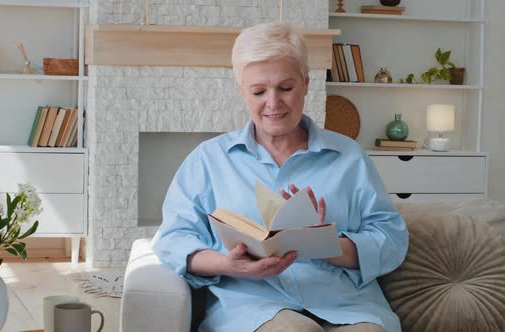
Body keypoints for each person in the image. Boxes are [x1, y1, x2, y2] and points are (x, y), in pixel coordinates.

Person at [152, 22, 408, 332]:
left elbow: (391, 239)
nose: (273, 104)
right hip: (252, 306)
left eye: (285, 88)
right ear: (242, 91)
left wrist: (328, 244)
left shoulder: (349, 157)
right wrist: (227, 264)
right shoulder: (208, 159)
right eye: (259, 91)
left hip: (347, 304)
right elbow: (173, 239)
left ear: (305, 83)